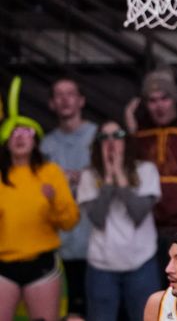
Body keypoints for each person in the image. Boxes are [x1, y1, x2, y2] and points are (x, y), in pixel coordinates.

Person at [0, 76, 79, 321]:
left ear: (35, 140)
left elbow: (69, 221)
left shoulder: (50, 172)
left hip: (42, 264)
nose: (20, 136)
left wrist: (54, 200)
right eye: (14, 132)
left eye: (27, 131)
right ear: (5, 141)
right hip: (3, 264)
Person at [77, 119, 161, 321]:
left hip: (142, 262)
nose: (111, 141)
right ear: (97, 144)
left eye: (118, 135)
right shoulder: (89, 175)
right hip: (102, 266)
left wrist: (120, 177)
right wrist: (107, 179)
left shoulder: (146, 170)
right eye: (104, 137)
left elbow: (138, 213)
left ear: (127, 141)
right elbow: (97, 218)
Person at [125, 68, 177, 280]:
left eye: (164, 99)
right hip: (149, 230)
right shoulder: (141, 134)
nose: (159, 106)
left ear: (174, 100)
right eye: (152, 101)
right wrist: (132, 132)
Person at [40, 77, 97, 318]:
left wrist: (79, 177)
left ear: (81, 100)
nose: (65, 99)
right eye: (58, 95)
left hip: (95, 244)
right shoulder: (44, 145)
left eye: (70, 93)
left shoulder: (98, 136)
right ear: (52, 103)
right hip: (59, 246)